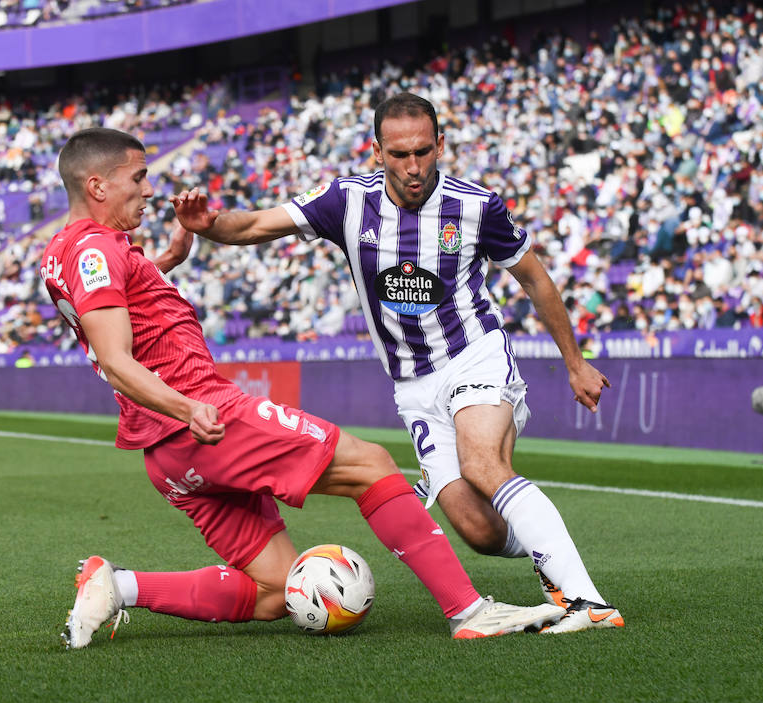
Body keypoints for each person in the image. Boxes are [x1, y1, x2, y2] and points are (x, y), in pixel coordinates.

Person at [43, 127, 561, 648]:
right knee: (372, 466)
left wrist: (166, 264)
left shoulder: (67, 250)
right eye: (138, 177)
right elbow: (114, 359)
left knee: (277, 591)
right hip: (203, 419)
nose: (149, 190)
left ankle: (116, 586)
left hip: (165, 454)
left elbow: (116, 299)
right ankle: (470, 611)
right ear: (98, 186)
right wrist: (188, 408)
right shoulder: (96, 249)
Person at [174, 93, 623, 634]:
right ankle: (549, 560)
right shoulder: (345, 200)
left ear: (440, 145)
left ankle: (587, 602)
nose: (413, 166)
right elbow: (251, 227)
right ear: (377, 151)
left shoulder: (476, 205)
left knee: (484, 464)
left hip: (473, 352)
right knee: (476, 527)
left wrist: (574, 363)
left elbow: (534, 277)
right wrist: (208, 223)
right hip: (412, 383)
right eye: (399, 154)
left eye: (423, 151)